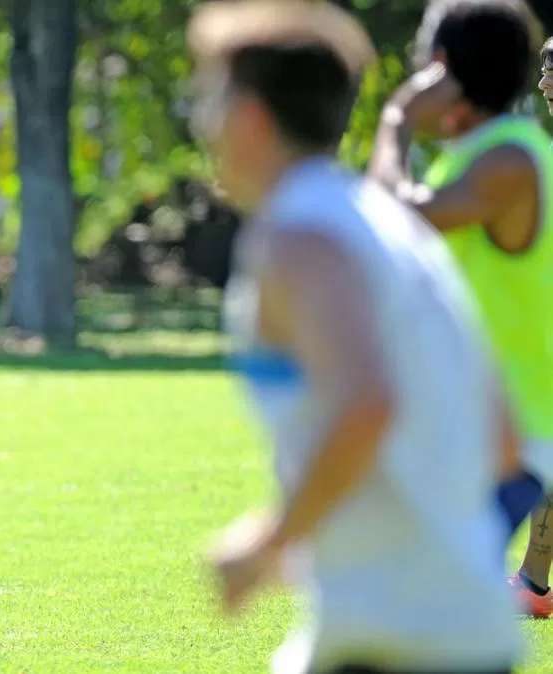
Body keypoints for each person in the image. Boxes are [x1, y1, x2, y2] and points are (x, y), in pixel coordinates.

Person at [188, 2, 521, 672]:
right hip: (465, 626)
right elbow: (501, 433)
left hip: (392, 639)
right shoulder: (389, 225)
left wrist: (269, 544)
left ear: (250, 117)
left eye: (207, 99)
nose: (200, 123)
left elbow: (368, 402)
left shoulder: (297, 237)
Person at [368, 0, 553, 618]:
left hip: (517, 437)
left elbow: (389, 216)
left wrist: (395, 118)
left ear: (441, 68)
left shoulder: (510, 161)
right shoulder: (487, 154)